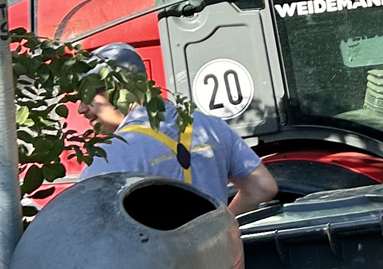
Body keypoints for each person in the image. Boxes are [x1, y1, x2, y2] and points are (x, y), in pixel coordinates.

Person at [77, 43, 278, 215]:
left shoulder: (112, 154)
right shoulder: (212, 126)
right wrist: (221, 227)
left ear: (122, 88)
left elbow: (83, 225)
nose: (81, 109)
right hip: (218, 249)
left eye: (87, 96)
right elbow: (262, 187)